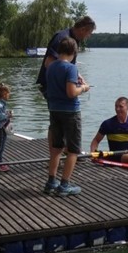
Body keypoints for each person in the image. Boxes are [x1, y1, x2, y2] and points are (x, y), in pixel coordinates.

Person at [44, 36, 90, 196]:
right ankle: (64, 185)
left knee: (56, 148)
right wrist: (83, 88)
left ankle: (51, 182)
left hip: (54, 110)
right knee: (73, 150)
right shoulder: (71, 68)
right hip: (70, 112)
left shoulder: (50, 66)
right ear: (74, 52)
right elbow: (71, 93)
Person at [35, 15, 96, 95]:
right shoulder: (62, 38)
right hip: (53, 86)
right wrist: (71, 79)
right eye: (89, 33)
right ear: (82, 29)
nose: (89, 36)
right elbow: (48, 63)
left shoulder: (75, 39)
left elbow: (67, 64)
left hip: (61, 86)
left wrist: (77, 76)